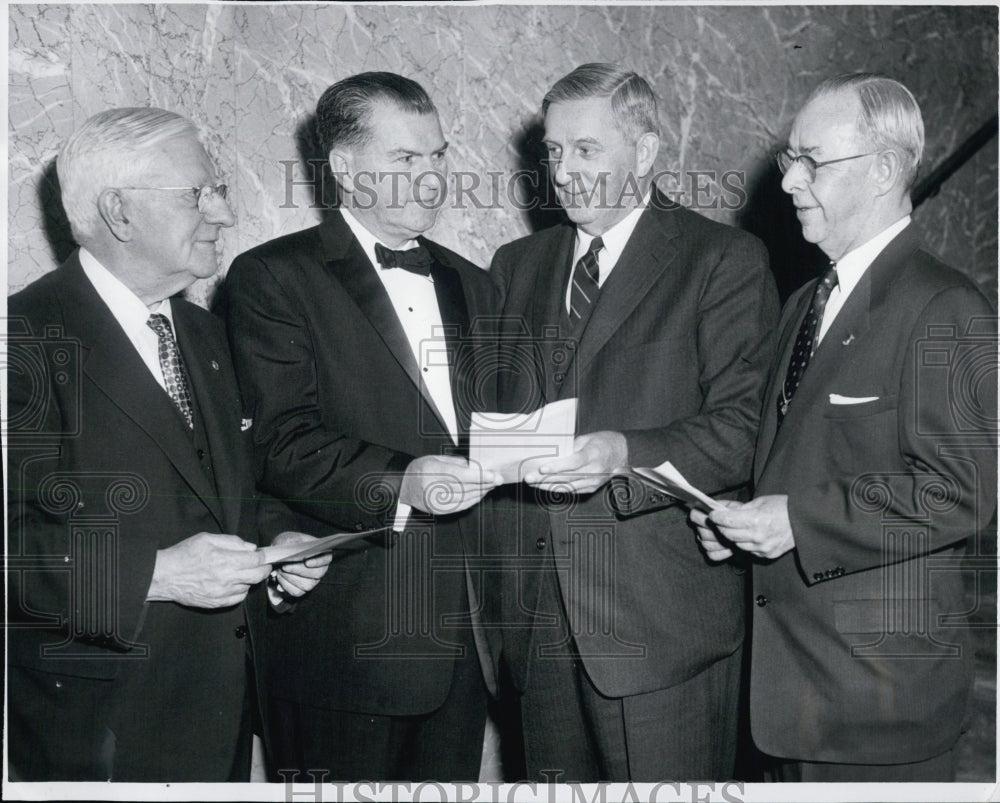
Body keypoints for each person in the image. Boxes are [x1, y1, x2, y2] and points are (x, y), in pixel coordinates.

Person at [5, 107, 327, 782]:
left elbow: (224, 489)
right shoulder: (23, 338)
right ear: (119, 212)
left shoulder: (204, 332)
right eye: (198, 194)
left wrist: (278, 542)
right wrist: (156, 575)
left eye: (220, 191)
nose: (224, 214)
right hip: (97, 733)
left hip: (219, 720)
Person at [691, 73, 997, 782]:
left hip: (875, 710)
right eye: (788, 159)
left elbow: (962, 491)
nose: (789, 181)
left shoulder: (944, 306)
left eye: (813, 161)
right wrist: (744, 523)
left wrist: (798, 522)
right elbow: (802, 460)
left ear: (885, 170)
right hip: (786, 697)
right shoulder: (806, 301)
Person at [488, 63, 779, 781]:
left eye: (586, 150)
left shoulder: (720, 259)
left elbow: (745, 425)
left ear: (645, 152)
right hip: (537, 625)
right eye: (554, 151)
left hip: (659, 628)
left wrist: (625, 452)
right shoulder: (515, 265)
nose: (562, 172)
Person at [219, 72, 499, 781]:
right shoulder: (271, 276)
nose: (433, 177)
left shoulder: (475, 282)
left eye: (438, 155)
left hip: (466, 641)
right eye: (406, 159)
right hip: (343, 642)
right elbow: (277, 440)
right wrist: (401, 479)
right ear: (344, 167)